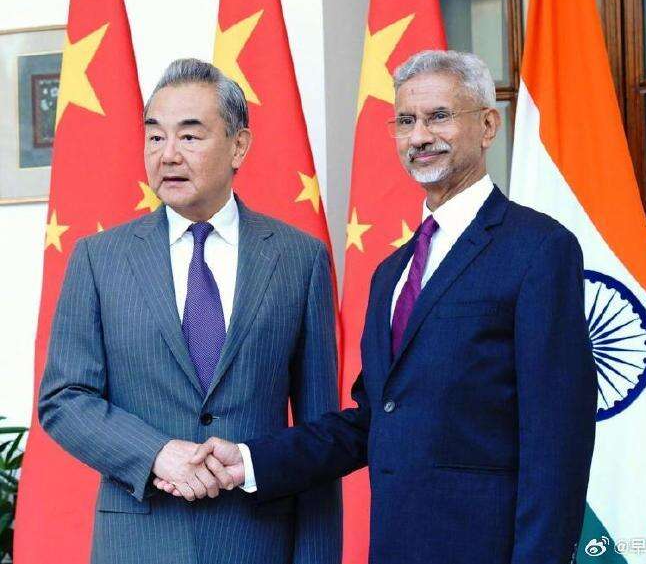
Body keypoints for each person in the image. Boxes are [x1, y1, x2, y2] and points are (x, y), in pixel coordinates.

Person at [158, 50, 598, 564]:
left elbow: (557, 439)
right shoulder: (393, 272)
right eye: (405, 121)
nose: (419, 136)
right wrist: (251, 461)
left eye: (439, 116)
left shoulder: (539, 248)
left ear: (487, 126)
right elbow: (374, 420)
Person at [38, 58, 341, 564]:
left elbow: (319, 438)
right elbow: (64, 398)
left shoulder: (298, 259)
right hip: (138, 543)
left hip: (257, 542)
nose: (168, 155)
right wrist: (156, 453)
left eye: (190, 136)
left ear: (238, 146)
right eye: (155, 137)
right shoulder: (99, 259)